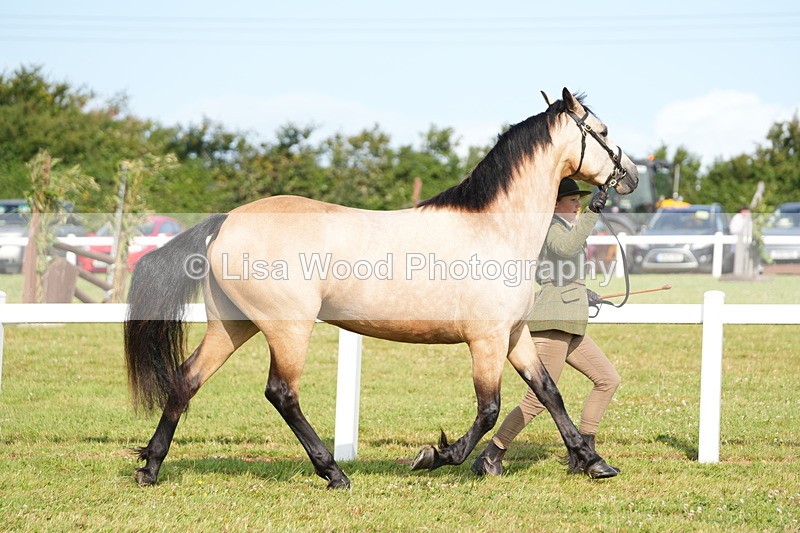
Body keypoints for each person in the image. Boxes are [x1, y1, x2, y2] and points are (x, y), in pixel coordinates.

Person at [471, 177, 620, 476]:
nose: (578, 204)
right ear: (554, 203)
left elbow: (562, 269)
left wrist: (582, 292)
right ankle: (491, 454)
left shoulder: (565, 226)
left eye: (580, 200)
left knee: (607, 379)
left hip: (569, 319)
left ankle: (584, 454)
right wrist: (592, 214)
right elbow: (565, 249)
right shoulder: (550, 227)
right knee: (537, 399)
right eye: (573, 200)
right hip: (552, 322)